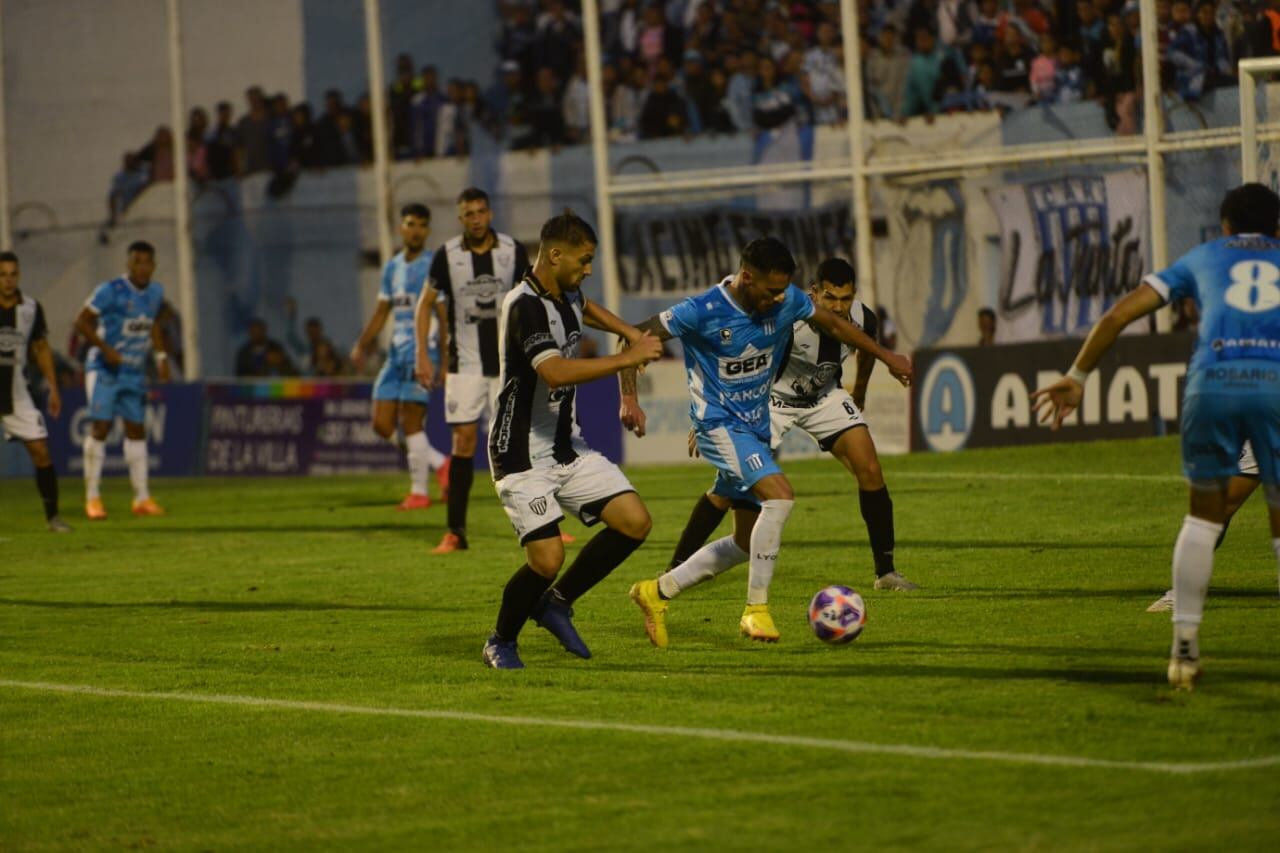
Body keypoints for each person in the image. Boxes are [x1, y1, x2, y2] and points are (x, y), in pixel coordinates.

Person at [1031, 183, 1280, 690]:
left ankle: (1183, 647)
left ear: (1226, 226)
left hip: (1211, 386)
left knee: (1204, 517)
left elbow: (1119, 314)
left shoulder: (1203, 256)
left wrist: (1077, 378)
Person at [623, 238, 913, 648]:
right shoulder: (702, 310)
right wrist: (629, 396)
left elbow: (834, 325)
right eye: (772, 291)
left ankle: (657, 591)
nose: (780, 299)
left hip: (757, 424)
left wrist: (886, 357)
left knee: (745, 542)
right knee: (780, 496)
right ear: (746, 278)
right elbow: (632, 336)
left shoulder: (788, 301)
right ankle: (755, 611)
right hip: (721, 425)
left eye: (784, 291)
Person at [662, 258, 920, 593]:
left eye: (846, 298)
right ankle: (675, 568)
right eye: (831, 298)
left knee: (870, 468)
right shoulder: (787, 317)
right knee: (726, 489)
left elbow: (865, 351)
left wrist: (859, 391)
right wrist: (714, 419)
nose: (840, 307)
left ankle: (886, 573)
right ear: (814, 293)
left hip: (824, 397)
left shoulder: (862, 318)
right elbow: (742, 361)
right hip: (768, 400)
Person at [481, 210, 663, 669]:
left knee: (634, 521)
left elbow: (587, 307)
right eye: (584, 260)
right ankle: (501, 640)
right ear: (554, 254)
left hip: (565, 445)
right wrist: (626, 359)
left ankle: (556, 604)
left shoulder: (566, 291)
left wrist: (624, 331)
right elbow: (555, 370)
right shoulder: (524, 306)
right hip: (519, 452)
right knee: (546, 558)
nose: (587, 269)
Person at [417, 187, 530, 554]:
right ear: (461, 217)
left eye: (481, 211)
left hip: (507, 364)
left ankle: (541, 525)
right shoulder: (447, 256)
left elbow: (529, 304)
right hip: (464, 365)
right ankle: (455, 532)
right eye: (469, 213)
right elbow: (425, 305)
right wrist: (423, 354)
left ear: (490, 213)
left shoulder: (512, 251)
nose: (476, 218)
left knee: (519, 444)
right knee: (463, 444)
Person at [350, 203, 449, 510]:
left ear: (427, 230)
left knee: (411, 422)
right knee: (381, 423)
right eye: (410, 223)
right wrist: (363, 344)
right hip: (394, 354)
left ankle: (419, 492)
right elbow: (383, 311)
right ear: (401, 228)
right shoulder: (392, 268)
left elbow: (443, 314)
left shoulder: (434, 265)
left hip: (423, 352)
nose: (416, 229)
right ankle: (439, 462)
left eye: (422, 224)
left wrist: (444, 359)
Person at [73, 241, 172, 520]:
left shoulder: (155, 292)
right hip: (104, 368)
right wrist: (107, 350)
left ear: (153, 266)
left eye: (146, 262)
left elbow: (152, 323)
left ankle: (141, 498)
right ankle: (93, 498)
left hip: (133, 372)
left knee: (136, 430)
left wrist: (162, 357)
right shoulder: (110, 291)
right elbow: (81, 322)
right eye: (136, 261)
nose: (141, 267)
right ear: (128, 264)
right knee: (101, 427)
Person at [0, 252, 72, 532]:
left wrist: (54, 388)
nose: (8, 280)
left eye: (12, 274)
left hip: (16, 390)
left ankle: (52, 517)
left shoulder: (30, 308)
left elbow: (41, 348)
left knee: (41, 450)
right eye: (3, 274)